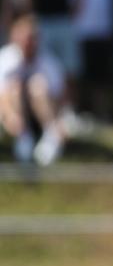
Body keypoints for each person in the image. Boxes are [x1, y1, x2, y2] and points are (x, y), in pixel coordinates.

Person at [0, 14, 67, 164]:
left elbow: (58, 98)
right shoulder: (5, 58)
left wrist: (59, 123)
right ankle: (23, 139)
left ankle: (51, 137)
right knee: (15, 86)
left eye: (32, 38)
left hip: (41, 115)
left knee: (38, 85)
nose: (28, 43)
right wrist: (10, 117)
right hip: (11, 117)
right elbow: (2, 96)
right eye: (25, 38)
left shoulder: (49, 62)